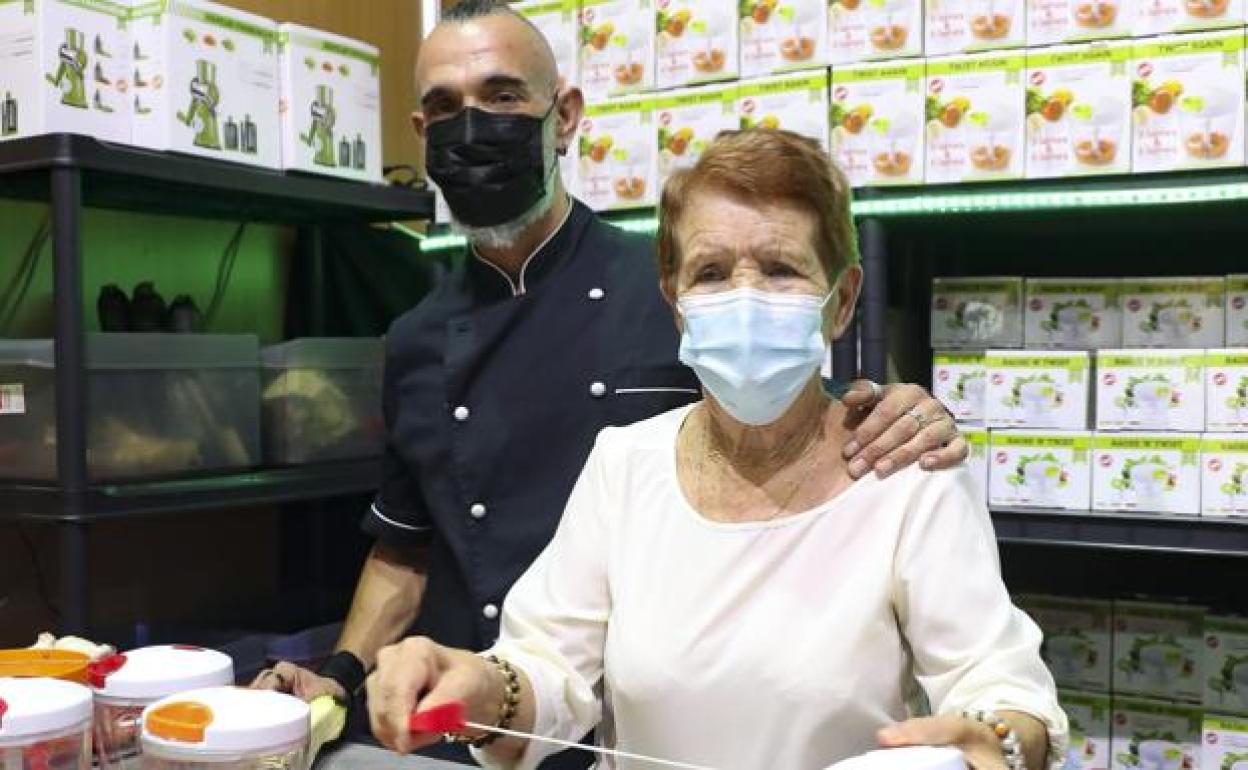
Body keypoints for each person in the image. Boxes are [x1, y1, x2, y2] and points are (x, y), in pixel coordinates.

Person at [255, 1, 967, 765]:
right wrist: (340, 672)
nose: (473, 127)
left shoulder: (688, 290)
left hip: (646, 712)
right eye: (444, 108)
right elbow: (403, 547)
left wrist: (908, 407)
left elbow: (813, 422)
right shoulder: (415, 338)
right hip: (484, 706)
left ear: (564, 117)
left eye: (501, 97)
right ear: (422, 136)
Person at [364, 129, 1067, 770]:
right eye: (711, 272)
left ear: (843, 300)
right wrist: (477, 685)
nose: (746, 296)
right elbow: (548, 666)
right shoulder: (626, 465)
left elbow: (1004, 690)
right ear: (674, 302)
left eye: (781, 269)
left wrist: (996, 739)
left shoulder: (905, 475)